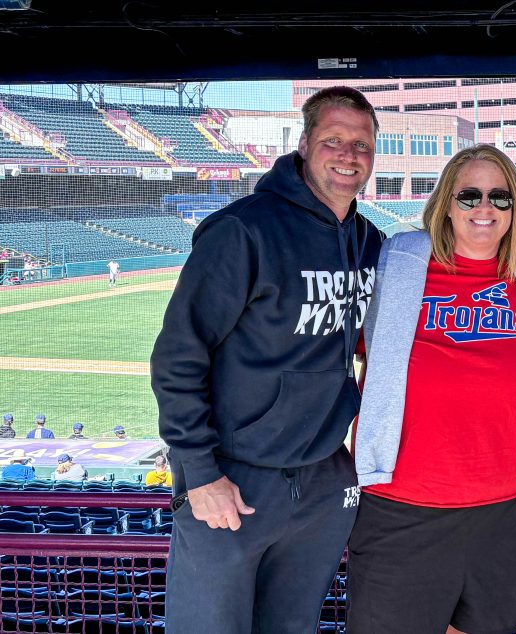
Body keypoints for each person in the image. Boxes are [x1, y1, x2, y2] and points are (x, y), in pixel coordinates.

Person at [151, 85, 384, 634]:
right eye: (334, 140)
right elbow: (179, 358)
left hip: (322, 485)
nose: (349, 156)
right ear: (304, 144)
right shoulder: (243, 230)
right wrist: (202, 474)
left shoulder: (370, 241)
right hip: (233, 483)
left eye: (362, 144)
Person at [349, 145, 516, 634]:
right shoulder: (396, 267)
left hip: (504, 512)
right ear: (445, 202)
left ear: (515, 208)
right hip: (404, 508)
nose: (484, 208)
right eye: (469, 195)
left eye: (499, 197)